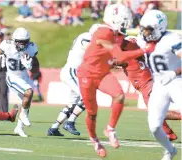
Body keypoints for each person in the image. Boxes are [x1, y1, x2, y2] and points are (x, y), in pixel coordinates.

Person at [76, 4, 154, 157]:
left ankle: (110, 128)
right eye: (124, 21)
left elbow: (119, 56)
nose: (127, 25)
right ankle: (94, 139)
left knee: (119, 96)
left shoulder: (116, 34)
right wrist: (144, 50)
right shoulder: (103, 32)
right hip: (87, 75)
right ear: (115, 19)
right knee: (92, 113)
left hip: (103, 73)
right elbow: (119, 56)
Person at [135, 10, 182, 160]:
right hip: (159, 85)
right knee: (154, 126)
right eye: (144, 28)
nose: (145, 32)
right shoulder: (141, 40)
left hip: (177, 81)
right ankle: (170, 150)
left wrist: (174, 73)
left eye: (148, 29)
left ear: (159, 28)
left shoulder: (171, 39)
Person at [0, 27, 39, 137]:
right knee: (28, 92)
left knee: (26, 101)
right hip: (12, 77)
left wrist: (30, 66)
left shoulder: (31, 48)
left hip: (24, 78)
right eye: (20, 42)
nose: (22, 44)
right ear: (15, 40)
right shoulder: (7, 46)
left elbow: (36, 69)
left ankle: (19, 128)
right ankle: (24, 116)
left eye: (24, 42)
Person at [47, 24, 100, 137]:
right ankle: (70, 122)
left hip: (74, 73)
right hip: (72, 72)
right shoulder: (87, 37)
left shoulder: (86, 37)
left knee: (73, 104)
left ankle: (54, 128)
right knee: (87, 97)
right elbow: (95, 52)